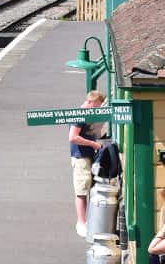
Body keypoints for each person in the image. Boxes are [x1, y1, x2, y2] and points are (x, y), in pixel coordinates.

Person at [69, 89, 106, 237]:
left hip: (88, 155)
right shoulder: (79, 114)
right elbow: (73, 137)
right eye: (96, 106)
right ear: (90, 102)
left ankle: (87, 220)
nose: (97, 109)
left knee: (88, 187)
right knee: (82, 189)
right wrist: (93, 144)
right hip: (81, 156)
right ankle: (81, 222)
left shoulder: (88, 114)